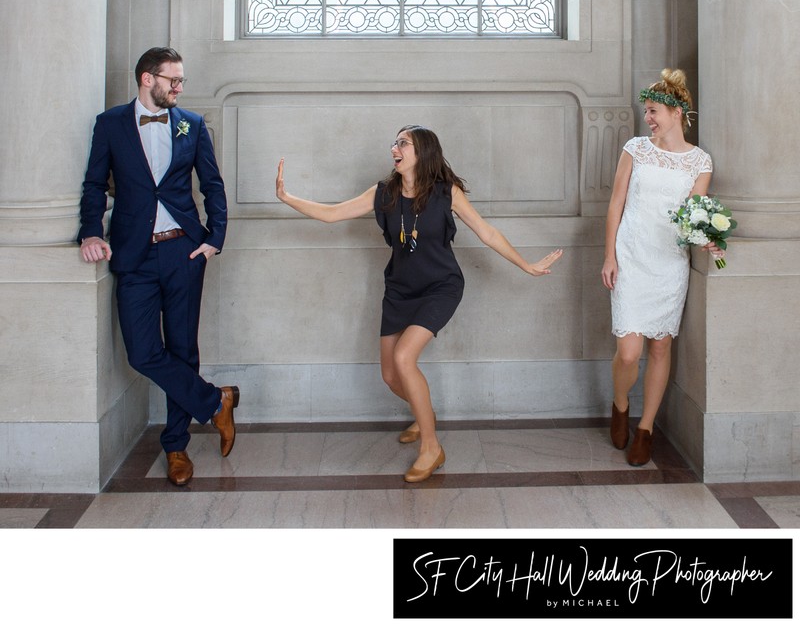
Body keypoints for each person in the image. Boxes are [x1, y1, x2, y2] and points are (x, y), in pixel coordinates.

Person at [275, 125, 563, 482]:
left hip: (441, 286)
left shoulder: (447, 193)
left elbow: (486, 232)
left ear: (422, 151)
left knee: (404, 358)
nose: (394, 148)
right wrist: (288, 197)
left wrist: (527, 265)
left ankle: (431, 447)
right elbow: (334, 213)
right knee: (390, 375)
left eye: (403, 143)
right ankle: (424, 413)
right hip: (399, 289)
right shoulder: (383, 193)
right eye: (394, 143)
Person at [78, 47, 240, 487]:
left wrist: (214, 239)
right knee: (143, 353)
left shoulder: (192, 124)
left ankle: (175, 446)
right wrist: (91, 232)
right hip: (134, 255)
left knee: (184, 350)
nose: (180, 87)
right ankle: (214, 402)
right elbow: (94, 183)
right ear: (148, 79)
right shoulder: (110, 124)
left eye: (181, 80)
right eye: (174, 80)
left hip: (184, 252)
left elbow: (213, 185)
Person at [601, 68, 722, 467]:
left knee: (660, 346)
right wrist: (609, 255)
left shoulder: (700, 161)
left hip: (670, 263)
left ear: (677, 112)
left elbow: (693, 213)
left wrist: (704, 236)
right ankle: (620, 405)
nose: (648, 118)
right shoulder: (635, 149)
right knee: (629, 350)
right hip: (632, 256)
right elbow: (616, 204)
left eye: (654, 111)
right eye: (647, 111)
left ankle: (646, 427)